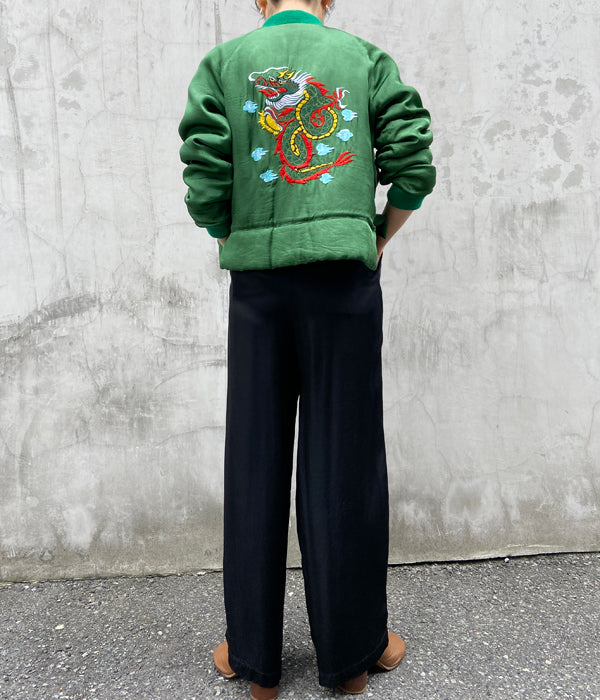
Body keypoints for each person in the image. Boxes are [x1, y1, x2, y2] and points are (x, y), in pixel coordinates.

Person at [178, 0, 436, 698]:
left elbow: (205, 173)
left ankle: (255, 662)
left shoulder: (224, 63)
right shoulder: (364, 59)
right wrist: (377, 235)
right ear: (328, 0)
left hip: (259, 287)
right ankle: (353, 658)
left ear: (259, 1)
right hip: (343, 282)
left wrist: (233, 234)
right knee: (345, 459)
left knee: (254, 459)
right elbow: (413, 162)